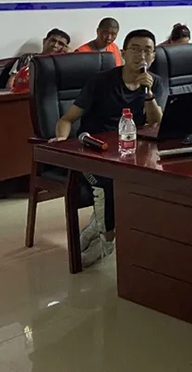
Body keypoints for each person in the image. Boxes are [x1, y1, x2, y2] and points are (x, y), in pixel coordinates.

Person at [51, 29, 167, 266]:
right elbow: (66, 119)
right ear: (123, 53)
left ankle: (98, 226)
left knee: (160, 179)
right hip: (94, 152)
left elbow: (157, 123)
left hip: (132, 153)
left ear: (154, 56)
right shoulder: (101, 81)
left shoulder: (155, 83)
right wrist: (62, 140)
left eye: (147, 50)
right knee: (110, 183)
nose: (141, 56)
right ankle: (106, 243)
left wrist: (149, 95)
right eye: (135, 49)